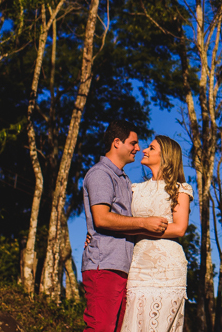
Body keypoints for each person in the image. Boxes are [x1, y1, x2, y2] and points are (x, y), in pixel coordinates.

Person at [82, 120, 169, 332]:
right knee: (100, 328)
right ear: (116, 143)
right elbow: (102, 218)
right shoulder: (101, 174)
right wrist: (145, 224)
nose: (138, 148)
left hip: (122, 267)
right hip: (104, 266)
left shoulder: (124, 179)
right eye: (134, 143)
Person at [119, 134, 193, 332]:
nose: (144, 150)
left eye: (151, 148)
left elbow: (179, 228)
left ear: (166, 156)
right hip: (137, 267)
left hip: (168, 269)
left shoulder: (180, 189)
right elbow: (119, 221)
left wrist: (143, 227)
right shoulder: (134, 189)